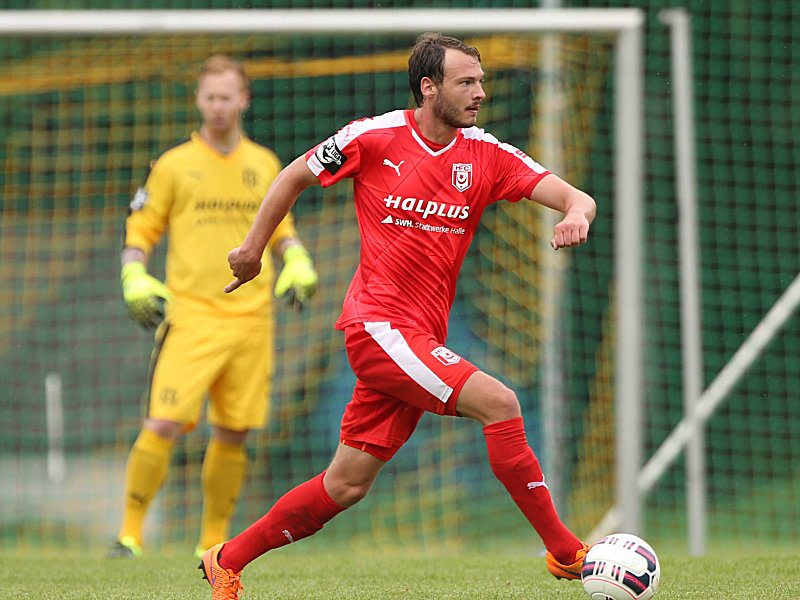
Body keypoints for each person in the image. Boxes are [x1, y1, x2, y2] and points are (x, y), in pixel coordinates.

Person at [200, 33, 596, 597]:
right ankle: (565, 552)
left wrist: (577, 214)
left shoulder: (486, 154)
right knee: (500, 403)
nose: (480, 92)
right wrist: (252, 250)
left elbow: (576, 196)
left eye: (480, 81)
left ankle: (227, 559)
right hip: (378, 327)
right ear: (428, 87)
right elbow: (293, 176)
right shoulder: (373, 137)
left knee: (346, 484)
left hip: (416, 339)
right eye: (466, 82)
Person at [108, 55, 318, 559]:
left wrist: (297, 259)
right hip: (191, 318)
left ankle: (212, 541)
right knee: (162, 422)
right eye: (210, 97)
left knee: (233, 432)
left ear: (243, 100)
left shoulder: (264, 163)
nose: (218, 106)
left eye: (227, 96)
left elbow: (281, 229)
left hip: (251, 321)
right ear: (199, 100)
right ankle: (130, 535)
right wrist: (133, 273)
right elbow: (141, 230)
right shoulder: (174, 164)